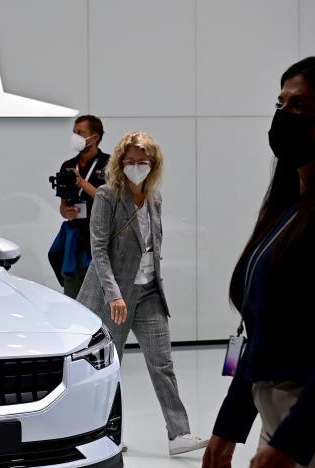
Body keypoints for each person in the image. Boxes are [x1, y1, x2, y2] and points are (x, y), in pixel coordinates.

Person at [203, 57, 315, 468]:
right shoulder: (288, 210)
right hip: (279, 425)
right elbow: (261, 331)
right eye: (280, 103)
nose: (283, 115)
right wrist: (230, 426)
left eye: (299, 106)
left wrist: (290, 444)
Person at [76, 131, 208, 456]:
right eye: (131, 161)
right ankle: (102, 433)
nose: (137, 167)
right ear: (120, 163)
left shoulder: (154, 197)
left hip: (148, 291)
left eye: (143, 162)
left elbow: (152, 245)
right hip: (116, 295)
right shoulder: (108, 196)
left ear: (154, 163)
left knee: (162, 362)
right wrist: (113, 294)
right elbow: (98, 250)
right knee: (109, 366)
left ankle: (179, 434)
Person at [54, 115, 110, 298]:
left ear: (94, 137)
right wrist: (66, 212)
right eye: (74, 132)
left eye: (80, 133)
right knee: (72, 295)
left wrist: (81, 182)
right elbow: (63, 206)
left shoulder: (109, 165)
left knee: (99, 297)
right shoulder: (68, 166)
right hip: (74, 239)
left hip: (99, 239)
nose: (75, 136)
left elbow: (110, 199)